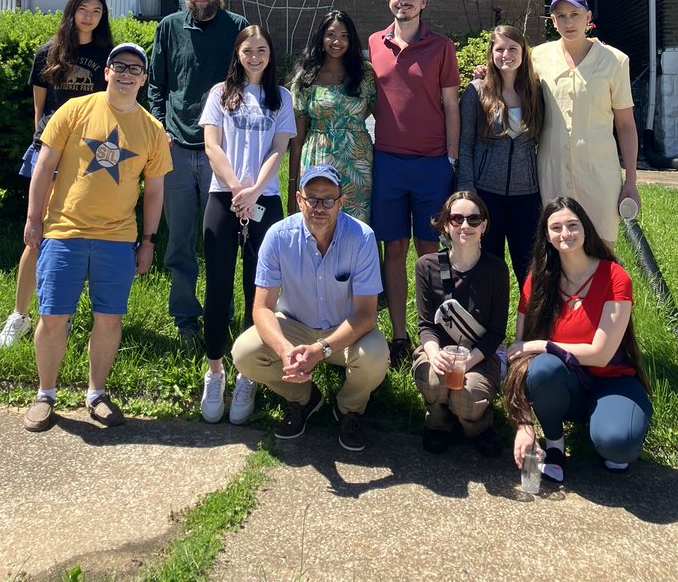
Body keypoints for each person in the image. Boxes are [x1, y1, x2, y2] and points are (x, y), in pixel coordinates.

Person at [21, 43, 171, 432]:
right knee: (53, 316)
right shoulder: (73, 111)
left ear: (143, 79)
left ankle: (97, 394)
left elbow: (155, 191)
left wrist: (149, 242)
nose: (126, 74)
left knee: (109, 318)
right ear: (106, 72)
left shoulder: (153, 130)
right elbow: (44, 167)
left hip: (118, 239)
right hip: (64, 231)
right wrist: (34, 219)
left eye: (135, 69)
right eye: (119, 66)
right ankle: (45, 395)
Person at [231, 163, 390, 452]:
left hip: (345, 329)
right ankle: (304, 398)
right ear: (298, 199)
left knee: (376, 356)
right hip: (295, 325)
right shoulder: (278, 236)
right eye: (312, 199)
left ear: (341, 202)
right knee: (244, 353)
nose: (319, 207)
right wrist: (284, 350)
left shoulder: (362, 237)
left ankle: (348, 408)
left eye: (328, 200)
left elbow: (366, 315)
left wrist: (322, 349)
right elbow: (262, 308)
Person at [504, 196, 653, 483]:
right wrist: (523, 424)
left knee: (618, 445)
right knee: (543, 368)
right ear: (546, 236)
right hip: (566, 384)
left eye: (572, 225)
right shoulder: (537, 281)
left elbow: (601, 354)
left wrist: (543, 345)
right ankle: (555, 445)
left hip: (612, 380)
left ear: (585, 228)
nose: (565, 233)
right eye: (556, 227)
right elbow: (517, 358)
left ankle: (610, 425)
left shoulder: (614, 276)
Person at [0, 0, 113, 348]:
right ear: (72, 11)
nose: (89, 17)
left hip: (90, 155)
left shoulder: (108, 54)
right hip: (50, 151)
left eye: (96, 11)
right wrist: (43, 148)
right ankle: (19, 315)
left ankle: (64, 312)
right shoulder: (48, 52)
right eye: (83, 10)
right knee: (37, 232)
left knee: (79, 236)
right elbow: (40, 109)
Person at [198, 26, 296, 425]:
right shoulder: (220, 93)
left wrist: (255, 190)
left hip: (264, 201)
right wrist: (237, 187)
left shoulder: (282, 97)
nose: (255, 56)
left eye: (262, 50)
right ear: (237, 53)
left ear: (271, 54)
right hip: (224, 197)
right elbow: (212, 145)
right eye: (248, 50)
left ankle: (247, 373)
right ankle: (214, 371)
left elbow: (279, 148)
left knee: (258, 291)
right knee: (218, 286)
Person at [148, 0, 247, 339]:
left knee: (221, 240)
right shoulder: (169, 27)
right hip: (174, 146)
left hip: (220, 151)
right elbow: (156, 83)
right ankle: (185, 317)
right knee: (179, 240)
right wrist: (160, 125)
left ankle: (222, 313)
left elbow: (248, 80)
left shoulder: (237, 28)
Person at [368, 0, 460, 367]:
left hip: (431, 163)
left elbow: (452, 105)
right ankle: (399, 336)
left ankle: (432, 334)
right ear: (389, 0)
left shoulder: (441, 47)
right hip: (388, 161)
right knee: (394, 249)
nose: (403, 1)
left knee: (429, 250)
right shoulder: (375, 42)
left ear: (423, 3)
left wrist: (451, 159)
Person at [531, 0, 639, 245]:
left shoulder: (615, 61)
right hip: (553, 170)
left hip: (598, 172)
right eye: (561, 16)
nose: (569, 22)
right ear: (553, 21)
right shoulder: (538, 57)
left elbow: (625, 125)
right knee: (558, 245)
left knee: (601, 246)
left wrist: (631, 181)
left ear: (588, 17)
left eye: (575, 14)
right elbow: (515, 89)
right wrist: (486, 76)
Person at [413, 191, 509, 455]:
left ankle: (477, 426)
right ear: (446, 225)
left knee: (467, 396)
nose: (465, 225)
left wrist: (468, 361)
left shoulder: (496, 270)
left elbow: (496, 332)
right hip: (440, 349)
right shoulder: (427, 266)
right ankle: (438, 424)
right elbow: (426, 325)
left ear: (484, 226)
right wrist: (434, 354)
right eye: (457, 219)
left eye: (473, 219)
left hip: (479, 353)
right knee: (433, 380)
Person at [459, 25, 544, 286]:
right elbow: (465, 145)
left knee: (530, 270)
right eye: (500, 49)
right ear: (491, 53)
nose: (506, 55)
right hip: (487, 194)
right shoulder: (476, 91)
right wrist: (467, 192)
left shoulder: (537, 91)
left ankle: (531, 314)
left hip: (527, 195)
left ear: (523, 52)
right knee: (487, 270)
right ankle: (490, 314)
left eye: (513, 49)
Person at [287, 9, 376, 222]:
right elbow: (297, 139)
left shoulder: (365, 74)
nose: (337, 42)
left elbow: (377, 112)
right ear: (321, 37)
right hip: (318, 157)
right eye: (331, 35)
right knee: (319, 221)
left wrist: (348, 127)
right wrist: (292, 189)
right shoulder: (306, 78)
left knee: (357, 224)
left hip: (357, 162)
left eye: (344, 36)